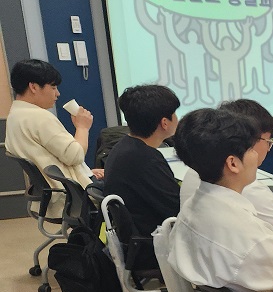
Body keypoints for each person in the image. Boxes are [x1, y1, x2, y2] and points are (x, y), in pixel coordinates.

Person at [167, 108, 273, 292]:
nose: (257, 156)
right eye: (251, 148)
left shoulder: (191, 209)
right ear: (233, 163)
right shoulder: (254, 238)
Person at [179, 99, 273, 245]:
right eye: (268, 142)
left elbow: (252, 205)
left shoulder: (198, 170)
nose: (267, 149)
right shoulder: (246, 186)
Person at [5, 59, 103, 218]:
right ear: (33, 87)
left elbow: (49, 160)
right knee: (130, 185)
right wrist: (82, 128)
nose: (57, 94)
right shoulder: (39, 117)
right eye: (53, 87)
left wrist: (85, 172)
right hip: (74, 197)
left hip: (55, 195)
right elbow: (75, 156)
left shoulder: (15, 116)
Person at [103, 85, 181, 239]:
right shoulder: (146, 159)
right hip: (154, 240)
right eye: (175, 114)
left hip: (136, 235)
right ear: (165, 123)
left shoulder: (124, 147)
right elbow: (178, 209)